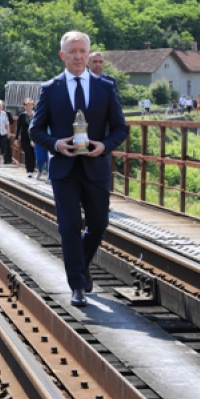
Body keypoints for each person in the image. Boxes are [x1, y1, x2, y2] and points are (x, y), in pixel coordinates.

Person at [29, 31, 128, 307]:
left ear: (89, 53)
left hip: (96, 168)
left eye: (82, 51)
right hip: (64, 169)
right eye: (72, 51)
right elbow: (35, 130)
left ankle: (81, 265)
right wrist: (56, 144)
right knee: (69, 227)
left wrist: (105, 146)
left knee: (99, 224)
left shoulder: (105, 88)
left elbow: (121, 128)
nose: (78, 56)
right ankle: (77, 285)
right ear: (63, 55)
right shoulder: (50, 89)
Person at [14, 98, 36, 177]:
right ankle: (29, 170)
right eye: (27, 105)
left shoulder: (36, 114)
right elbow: (18, 127)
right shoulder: (22, 115)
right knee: (28, 153)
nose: (29, 107)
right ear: (25, 106)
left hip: (34, 137)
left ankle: (32, 170)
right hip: (25, 136)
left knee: (33, 153)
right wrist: (16, 138)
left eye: (30, 105)